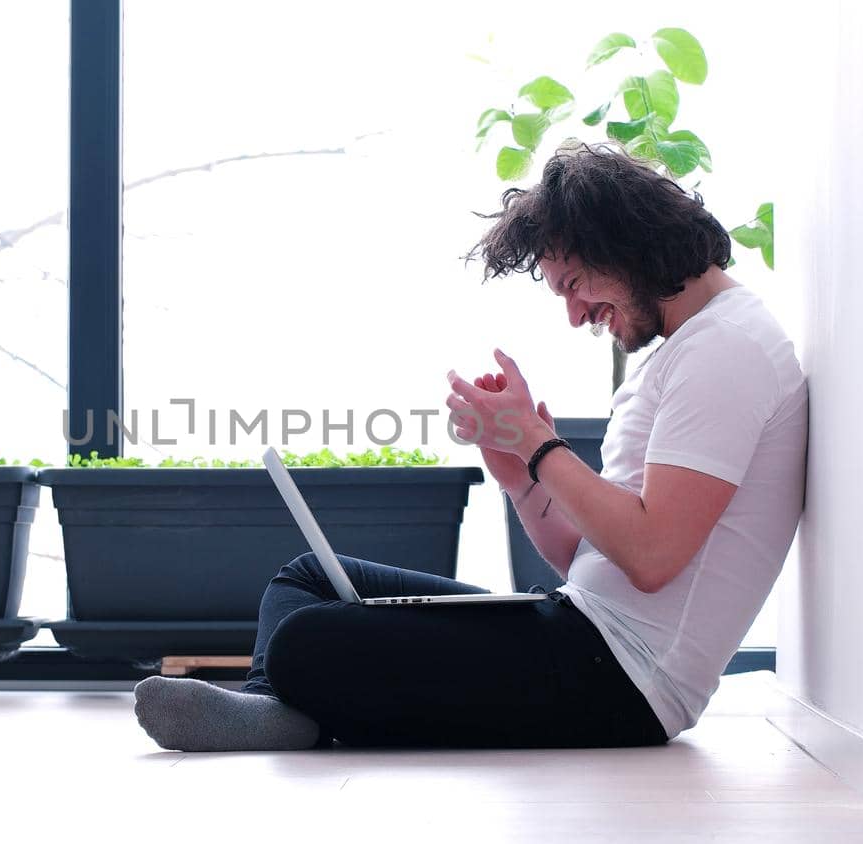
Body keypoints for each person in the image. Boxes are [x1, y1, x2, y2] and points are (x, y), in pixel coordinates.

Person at [133, 142, 808, 751]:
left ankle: (285, 706)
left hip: (622, 681)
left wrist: (541, 443)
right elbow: (585, 554)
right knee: (306, 577)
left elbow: (654, 558)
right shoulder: (691, 349)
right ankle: (274, 710)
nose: (574, 314)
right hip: (582, 631)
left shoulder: (728, 349)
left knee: (307, 643)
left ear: (626, 243)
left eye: (573, 285)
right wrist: (518, 473)